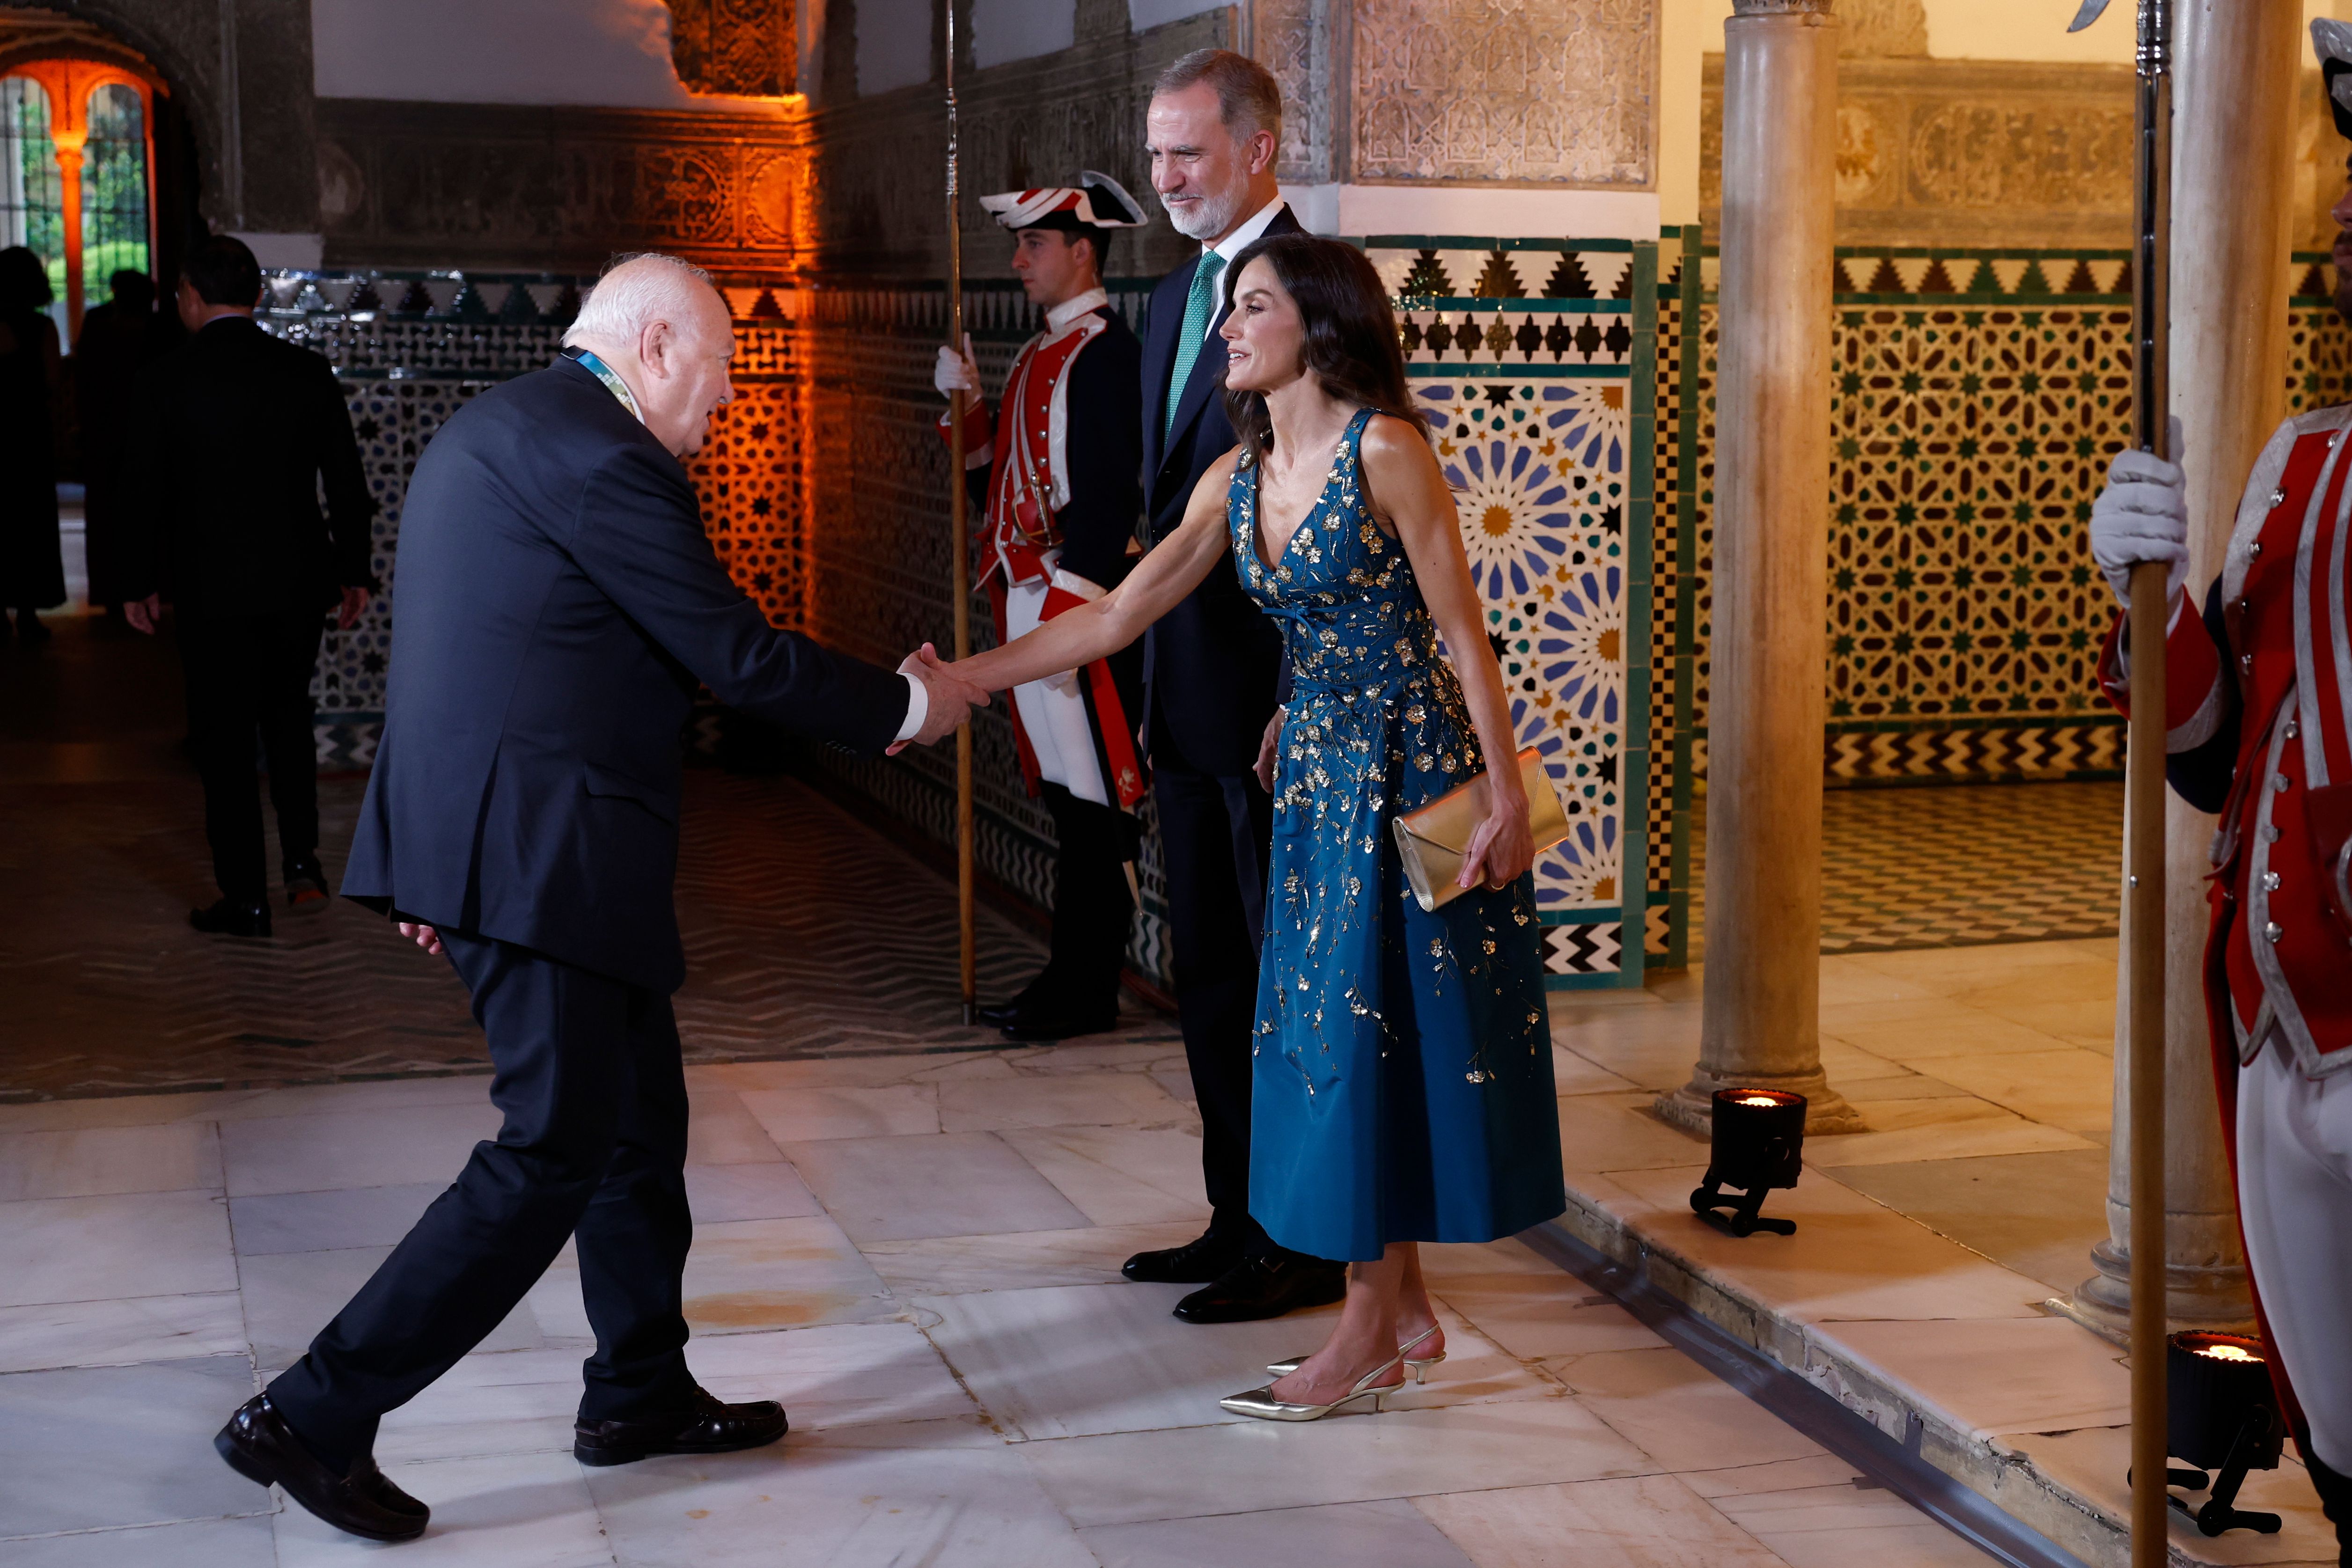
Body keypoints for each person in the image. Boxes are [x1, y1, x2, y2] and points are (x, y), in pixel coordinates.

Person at [210, 253, 983, 1543]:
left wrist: (428, 852)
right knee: (552, 1148)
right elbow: (735, 655)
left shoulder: (503, 423)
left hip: (518, 841)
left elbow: (456, 645)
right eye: (725, 375)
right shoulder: (609, 458)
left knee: (637, 1124)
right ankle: (314, 1411)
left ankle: (636, 1388)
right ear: (663, 344)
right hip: (541, 850)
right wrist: (915, 703)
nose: (725, 404)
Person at [923, 233, 1566, 1420]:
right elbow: (1115, 614)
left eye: (1249, 307)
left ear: (1315, 323)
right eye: (1227, 309)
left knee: (1367, 1037)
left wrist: (1508, 798)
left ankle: (1363, 1333)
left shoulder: (1389, 451)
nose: (1224, 328)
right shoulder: (1235, 475)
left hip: (1409, 772)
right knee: (1332, 1031)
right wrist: (967, 676)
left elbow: (1462, 636)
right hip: (1316, 782)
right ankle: (1403, 1305)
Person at [2087, 21, 2352, 1560]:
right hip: (2271, 1038)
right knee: (2337, 1432)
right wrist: (2150, 592)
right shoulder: (2303, 462)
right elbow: (2207, 749)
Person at [1118, 46, 1345, 1327]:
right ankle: (1235, 1213)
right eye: (1155, 154)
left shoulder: (1316, 288)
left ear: (1258, 147)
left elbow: (1349, 507)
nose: (1166, 178)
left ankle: (1307, 1240)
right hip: (1184, 698)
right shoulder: (1169, 301)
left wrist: (1298, 692)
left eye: (1187, 153)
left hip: (1275, 713)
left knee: (1286, 979)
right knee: (1209, 970)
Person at [933, 173, 1150, 1041]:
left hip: (1076, 604)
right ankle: (1072, 981)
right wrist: (968, 408)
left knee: (1096, 809)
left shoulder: (1106, 355)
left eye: (1034, 245)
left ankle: (1085, 989)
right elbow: (1000, 488)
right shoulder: (1038, 352)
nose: (1018, 260)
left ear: (1081, 251)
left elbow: (1106, 496)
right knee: (1065, 801)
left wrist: (1070, 612)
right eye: (1018, 245)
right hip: (1030, 600)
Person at [119, 235, 376, 936]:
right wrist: (355, 570)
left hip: (211, 588)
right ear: (257, 297)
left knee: (225, 737)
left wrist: (139, 582)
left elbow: (141, 493)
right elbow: (347, 485)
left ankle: (245, 896)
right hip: (299, 582)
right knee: (289, 718)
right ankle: (303, 868)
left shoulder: (165, 379)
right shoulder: (306, 372)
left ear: (192, 298)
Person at [76, 269, 176, 619]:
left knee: (113, 516)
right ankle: (147, 587)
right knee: (145, 513)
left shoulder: (103, 323)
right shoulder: (161, 326)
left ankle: (119, 592)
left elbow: (85, 379)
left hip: (110, 433)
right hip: (134, 434)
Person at [0, 245, 65, 645]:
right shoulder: (41, 327)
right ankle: (27, 611)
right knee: (30, 524)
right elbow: (53, 384)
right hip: (28, 436)